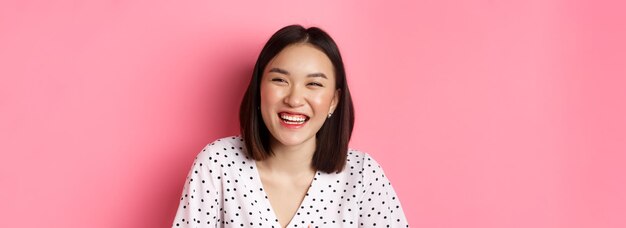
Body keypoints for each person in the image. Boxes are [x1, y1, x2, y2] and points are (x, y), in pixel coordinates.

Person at [172, 25, 409, 228]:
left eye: (314, 84)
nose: (294, 100)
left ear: (334, 101)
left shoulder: (363, 175)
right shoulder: (218, 164)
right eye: (280, 80)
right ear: (259, 91)